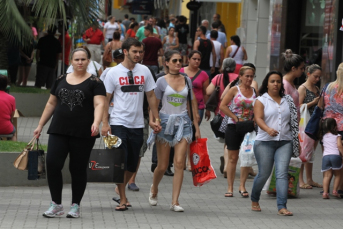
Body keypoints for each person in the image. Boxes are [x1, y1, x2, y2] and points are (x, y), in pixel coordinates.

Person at [34, 48, 106, 218]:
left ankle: (75, 205)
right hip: (59, 129)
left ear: (89, 61)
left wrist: (96, 123)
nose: (80, 62)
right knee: (52, 164)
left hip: (83, 132)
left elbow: (99, 105)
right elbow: (51, 103)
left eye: (83, 59)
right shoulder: (60, 79)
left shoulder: (96, 83)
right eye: (76, 59)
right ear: (71, 61)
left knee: (77, 168)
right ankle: (56, 204)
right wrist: (40, 125)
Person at [101, 38, 161, 211]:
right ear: (125, 51)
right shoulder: (113, 73)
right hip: (118, 122)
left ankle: (120, 190)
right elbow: (106, 100)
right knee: (121, 161)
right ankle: (122, 198)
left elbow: (151, 96)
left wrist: (155, 119)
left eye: (140, 52)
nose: (138, 55)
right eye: (135, 51)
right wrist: (105, 124)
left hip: (137, 124)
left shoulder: (145, 71)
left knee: (132, 163)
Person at [147, 50, 201, 212]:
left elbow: (193, 105)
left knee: (179, 163)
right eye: (175, 61)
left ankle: (175, 201)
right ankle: (154, 188)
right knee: (162, 165)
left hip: (183, 123)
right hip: (164, 123)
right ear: (167, 63)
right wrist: (153, 121)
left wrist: (196, 128)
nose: (178, 63)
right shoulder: (161, 81)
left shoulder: (187, 80)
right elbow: (154, 104)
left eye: (180, 61)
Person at [251, 70, 299, 216]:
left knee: (282, 174)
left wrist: (297, 141)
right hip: (265, 142)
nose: (276, 84)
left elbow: (294, 123)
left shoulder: (288, 100)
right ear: (267, 84)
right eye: (272, 81)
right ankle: (254, 198)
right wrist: (267, 129)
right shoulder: (261, 100)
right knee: (264, 174)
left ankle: (282, 207)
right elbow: (258, 119)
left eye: (278, 81)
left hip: (285, 141)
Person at [219, 66, 256, 197]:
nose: (249, 78)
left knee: (246, 157)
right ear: (240, 76)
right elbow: (222, 105)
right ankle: (230, 187)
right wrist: (235, 117)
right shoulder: (235, 90)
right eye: (247, 76)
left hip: (248, 128)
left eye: (252, 76)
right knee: (233, 158)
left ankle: (242, 186)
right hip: (233, 127)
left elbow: (258, 107)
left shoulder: (254, 91)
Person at [206, 58, 237, 177]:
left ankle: (226, 164)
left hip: (222, 113)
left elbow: (208, 91)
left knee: (227, 140)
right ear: (235, 67)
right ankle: (227, 165)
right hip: (235, 113)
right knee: (231, 141)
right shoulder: (239, 77)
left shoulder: (218, 77)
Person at [320, 63, 343, 196]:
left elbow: (322, 104)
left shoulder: (327, 87)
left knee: (327, 155)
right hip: (341, 128)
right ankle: (339, 188)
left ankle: (326, 189)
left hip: (327, 125)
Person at [298, 64, 322, 189]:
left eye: (319, 77)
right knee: (304, 151)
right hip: (305, 125)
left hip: (315, 123)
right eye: (315, 76)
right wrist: (313, 102)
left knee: (311, 152)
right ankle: (301, 180)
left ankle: (310, 178)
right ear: (308, 74)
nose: (317, 79)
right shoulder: (302, 88)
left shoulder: (317, 88)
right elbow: (298, 106)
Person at [319, 118, 343, 199]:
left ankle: (325, 193)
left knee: (326, 176)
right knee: (338, 175)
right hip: (335, 156)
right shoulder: (337, 136)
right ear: (335, 126)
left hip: (326, 157)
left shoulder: (324, 136)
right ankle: (335, 191)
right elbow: (339, 146)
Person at [282, 49, 305, 121]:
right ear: (293, 68)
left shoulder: (291, 83)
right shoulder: (285, 84)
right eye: (301, 68)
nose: (303, 70)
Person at [0, 74, 16, 141]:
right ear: (6, 85)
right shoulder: (11, 98)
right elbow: (12, 115)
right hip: (5, 127)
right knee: (14, 133)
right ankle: (14, 147)